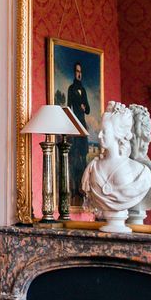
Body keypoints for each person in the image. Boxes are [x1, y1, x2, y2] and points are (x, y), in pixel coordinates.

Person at [81, 102, 151, 232]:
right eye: (99, 131)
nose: (99, 135)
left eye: (104, 131)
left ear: (118, 134)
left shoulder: (141, 173)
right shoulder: (93, 168)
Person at [66, 61, 90, 201]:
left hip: (83, 125)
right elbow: (68, 107)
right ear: (74, 73)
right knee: (74, 156)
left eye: (80, 71)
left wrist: (84, 107)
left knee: (83, 155)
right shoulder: (71, 89)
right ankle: (74, 188)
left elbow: (88, 110)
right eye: (77, 71)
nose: (79, 74)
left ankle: (83, 188)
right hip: (75, 125)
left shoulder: (84, 90)